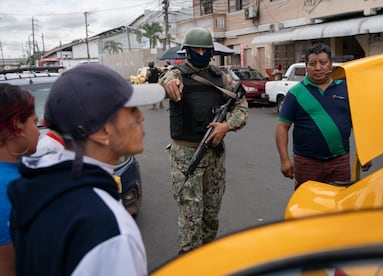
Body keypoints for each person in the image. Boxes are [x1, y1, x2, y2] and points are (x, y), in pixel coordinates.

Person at [7, 63, 165, 275]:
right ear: (102, 131)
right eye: (131, 110)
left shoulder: (38, 189)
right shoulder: (111, 231)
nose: (141, 117)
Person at [159, 27, 248, 255]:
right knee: (190, 219)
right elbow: (166, 77)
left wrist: (227, 126)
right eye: (195, 49)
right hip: (185, 157)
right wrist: (169, 81)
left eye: (204, 49)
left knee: (210, 216)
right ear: (186, 51)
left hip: (214, 157)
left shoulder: (221, 77)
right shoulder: (177, 75)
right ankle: (189, 265)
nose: (200, 53)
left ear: (211, 51)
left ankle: (206, 260)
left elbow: (241, 108)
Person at [275, 43, 371, 190]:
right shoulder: (296, 93)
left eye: (323, 63)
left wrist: (365, 152)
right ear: (306, 67)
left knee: (339, 205)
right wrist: (284, 160)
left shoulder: (346, 89)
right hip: (307, 162)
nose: (318, 68)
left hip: (339, 161)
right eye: (312, 64)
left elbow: (358, 123)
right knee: (307, 207)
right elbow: (282, 127)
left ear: (331, 66)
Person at [0, 83, 40, 276]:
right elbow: (8, 268)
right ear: (17, 125)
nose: (39, 131)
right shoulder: (13, 190)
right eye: (34, 121)